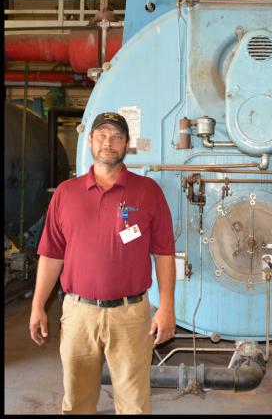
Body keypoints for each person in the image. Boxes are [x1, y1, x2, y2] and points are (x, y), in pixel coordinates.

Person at [29, 111, 176, 414]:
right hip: (78, 314)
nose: (108, 142)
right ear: (90, 141)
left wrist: (166, 306)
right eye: (102, 135)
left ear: (126, 144)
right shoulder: (66, 194)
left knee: (134, 404)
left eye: (116, 136)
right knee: (77, 402)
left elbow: (164, 253)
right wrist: (37, 305)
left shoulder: (148, 192)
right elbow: (52, 254)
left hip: (131, 316)